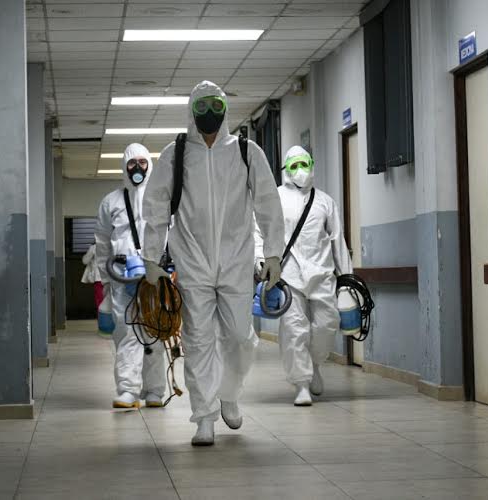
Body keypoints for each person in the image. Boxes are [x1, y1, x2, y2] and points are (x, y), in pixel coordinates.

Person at [141, 81, 284, 446]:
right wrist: (151, 257)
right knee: (198, 340)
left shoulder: (246, 151)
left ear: (225, 109)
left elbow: (268, 203)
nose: (209, 113)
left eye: (215, 106)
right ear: (191, 110)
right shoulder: (175, 154)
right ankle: (204, 417)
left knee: (239, 337)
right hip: (192, 260)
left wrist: (273, 253)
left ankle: (229, 394)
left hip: (236, 260)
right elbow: (156, 208)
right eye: (202, 106)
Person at [255, 146, 351, 406]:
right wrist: (260, 259)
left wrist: (347, 279)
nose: (300, 170)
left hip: (322, 273)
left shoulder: (325, 202)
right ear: (286, 169)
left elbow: (337, 240)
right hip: (288, 274)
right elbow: (258, 230)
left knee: (327, 324)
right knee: (294, 329)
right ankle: (301, 384)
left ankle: (315, 363)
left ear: (311, 164)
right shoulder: (274, 198)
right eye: (294, 165)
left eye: (304, 164)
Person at [95, 143, 166, 409]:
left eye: (142, 162)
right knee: (126, 333)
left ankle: (154, 390)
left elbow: (172, 234)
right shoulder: (111, 201)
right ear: (124, 167)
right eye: (132, 163)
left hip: (153, 275)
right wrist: (104, 281)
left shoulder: (160, 198)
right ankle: (128, 390)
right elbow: (102, 243)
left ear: (150, 164)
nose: (138, 168)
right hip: (120, 277)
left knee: (154, 332)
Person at [80, 243, 104, 310]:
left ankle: (101, 315)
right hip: (111, 277)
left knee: (100, 300)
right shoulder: (111, 245)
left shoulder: (94, 247)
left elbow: (85, 261)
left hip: (99, 278)